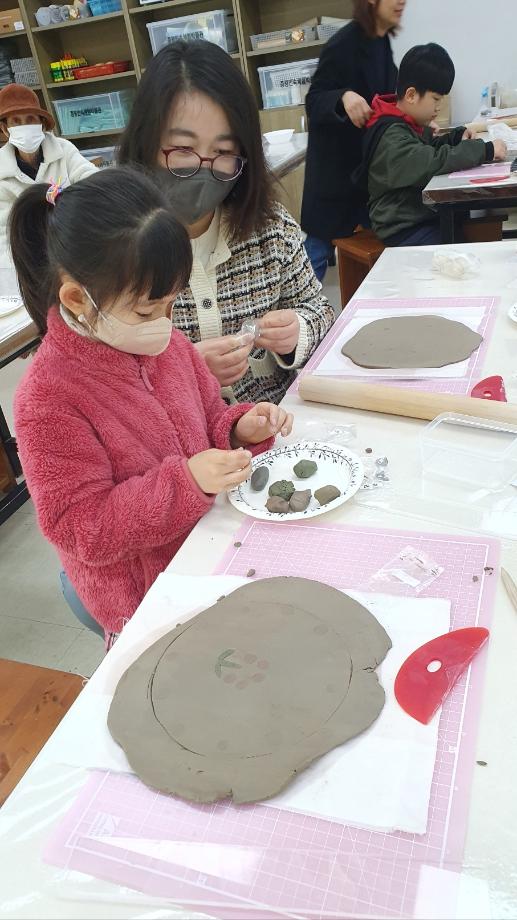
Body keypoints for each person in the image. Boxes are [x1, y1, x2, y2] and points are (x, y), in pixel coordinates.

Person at [11, 168, 292, 640]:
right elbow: (82, 528)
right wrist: (187, 481)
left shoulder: (165, 344)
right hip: (146, 600)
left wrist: (237, 429)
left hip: (210, 548)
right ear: (77, 299)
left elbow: (207, 418)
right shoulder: (47, 399)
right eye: (146, 310)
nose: (165, 322)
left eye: (172, 303)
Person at [118, 40, 334, 406]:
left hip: (274, 421)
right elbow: (96, 376)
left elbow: (319, 310)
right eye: (183, 149)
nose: (202, 167)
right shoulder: (115, 247)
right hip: (176, 435)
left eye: (223, 151)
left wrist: (298, 331)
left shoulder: (269, 229)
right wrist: (183, 369)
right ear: (145, 143)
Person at [361, 43, 508, 246]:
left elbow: (430, 148)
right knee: (458, 249)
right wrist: (486, 150)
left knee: (464, 230)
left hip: (419, 216)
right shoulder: (392, 136)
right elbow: (432, 161)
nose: (438, 108)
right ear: (411, 95)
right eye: (436, 99)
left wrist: (456, 137)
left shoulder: (406, 122)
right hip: (402, 227)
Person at [302, 0, 404, 281]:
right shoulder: (344, 43)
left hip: (362, 177)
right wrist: (343, 97)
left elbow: (389, 96)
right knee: (315, 256)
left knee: (378, 249)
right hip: (334, 178)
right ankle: (296, 306)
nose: (402, 1)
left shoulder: (381, 42)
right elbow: (313, 100)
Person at [0, 84, 96, 270]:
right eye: (16, 122)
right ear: (5, 129)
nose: (24, 126)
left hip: (74, 243)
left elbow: (93, 182)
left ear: (41, 124)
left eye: (30, 119)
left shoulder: (64, 149)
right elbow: (4, 234)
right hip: (28, 258)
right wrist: (17, 271)